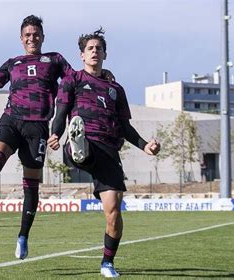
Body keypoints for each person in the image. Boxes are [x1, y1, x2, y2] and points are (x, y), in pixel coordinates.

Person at [0, 15, 114, 260]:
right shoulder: (12, 63)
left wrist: (102, 75)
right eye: (28, 35)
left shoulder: (54, 60)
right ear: (21, 39)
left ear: (42, 36)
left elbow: (76, 81)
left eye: (36, 34)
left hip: (38, 127)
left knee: (30, 184)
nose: (32, 38)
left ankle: (23, 236)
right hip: (11, 119)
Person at [47, 28, 160, 278]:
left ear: (105, 54)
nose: (95, 51)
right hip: (86, 142)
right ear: (82, 55)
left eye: (99, 48)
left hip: (109, 150)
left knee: (114, 210)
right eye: (90, 48)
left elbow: (125, 127)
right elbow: (61, 111)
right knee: (82, 144)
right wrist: (56, 133)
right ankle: (78, 146)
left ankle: (107, 263)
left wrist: (145, 146)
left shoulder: (116, 90)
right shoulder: (72, 80)